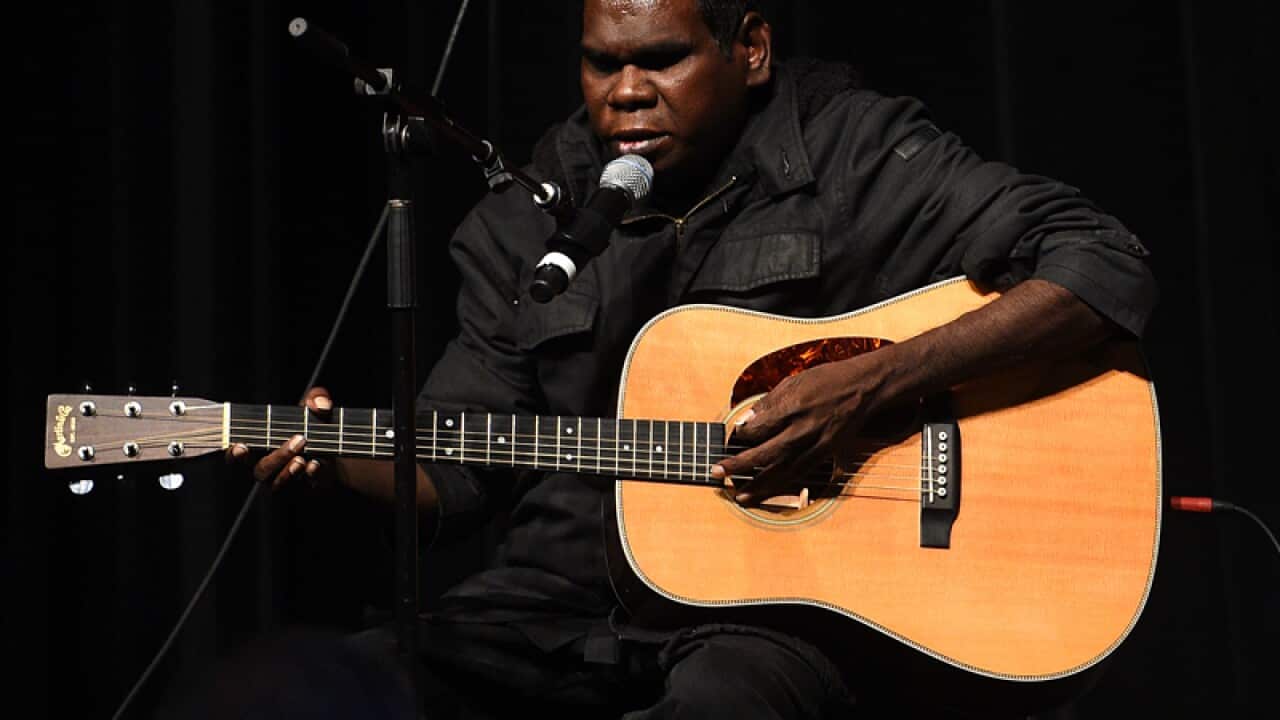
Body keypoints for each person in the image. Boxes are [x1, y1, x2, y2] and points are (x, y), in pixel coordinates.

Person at [233, 1, 1157, 717]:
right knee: (335, 688)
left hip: (766, 619)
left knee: (725, 702)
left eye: (661, 59)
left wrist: (868, 387)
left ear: (749, 50)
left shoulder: (849, 151)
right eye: (602, 63)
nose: (626, 92)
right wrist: (339, 458)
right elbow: (457, 471)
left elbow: (1102, 262)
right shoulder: (525, 221)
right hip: (556, 601)